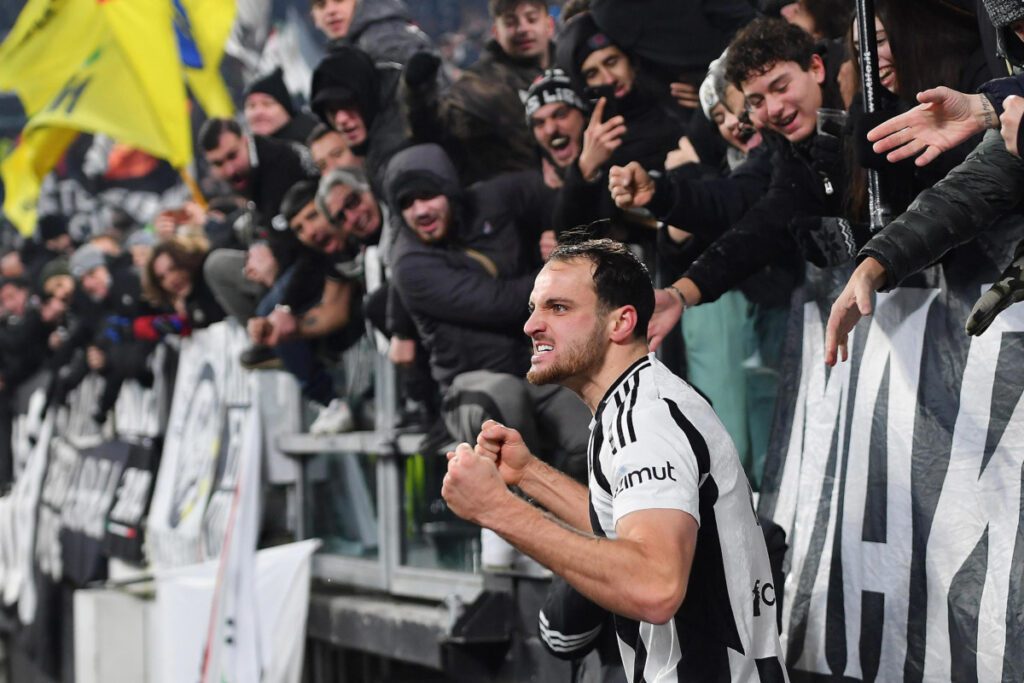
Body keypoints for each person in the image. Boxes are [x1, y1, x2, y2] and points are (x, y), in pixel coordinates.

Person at [441, 236, 787, 681]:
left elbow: (656, 586)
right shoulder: (640, 400)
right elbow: (622, 523)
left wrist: (496, 510)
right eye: (533, 308)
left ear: (621, 322)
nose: (532, 325)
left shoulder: (644, 420)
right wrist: (528, 474)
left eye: (558, 308)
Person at [401, 0, 555, 185]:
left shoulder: (574, 67)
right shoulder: (480, 87)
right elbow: (433, 133)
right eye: (510, 22)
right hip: (521, 201)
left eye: (531, 19)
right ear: (496, 32)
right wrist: (419, 92)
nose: (523, 29)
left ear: (549, 25)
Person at [242, 68, 320, 145]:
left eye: (267, 104)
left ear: (285, 108)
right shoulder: (249, 150)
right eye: (251, 106)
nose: (258, 112)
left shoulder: (314, 139)